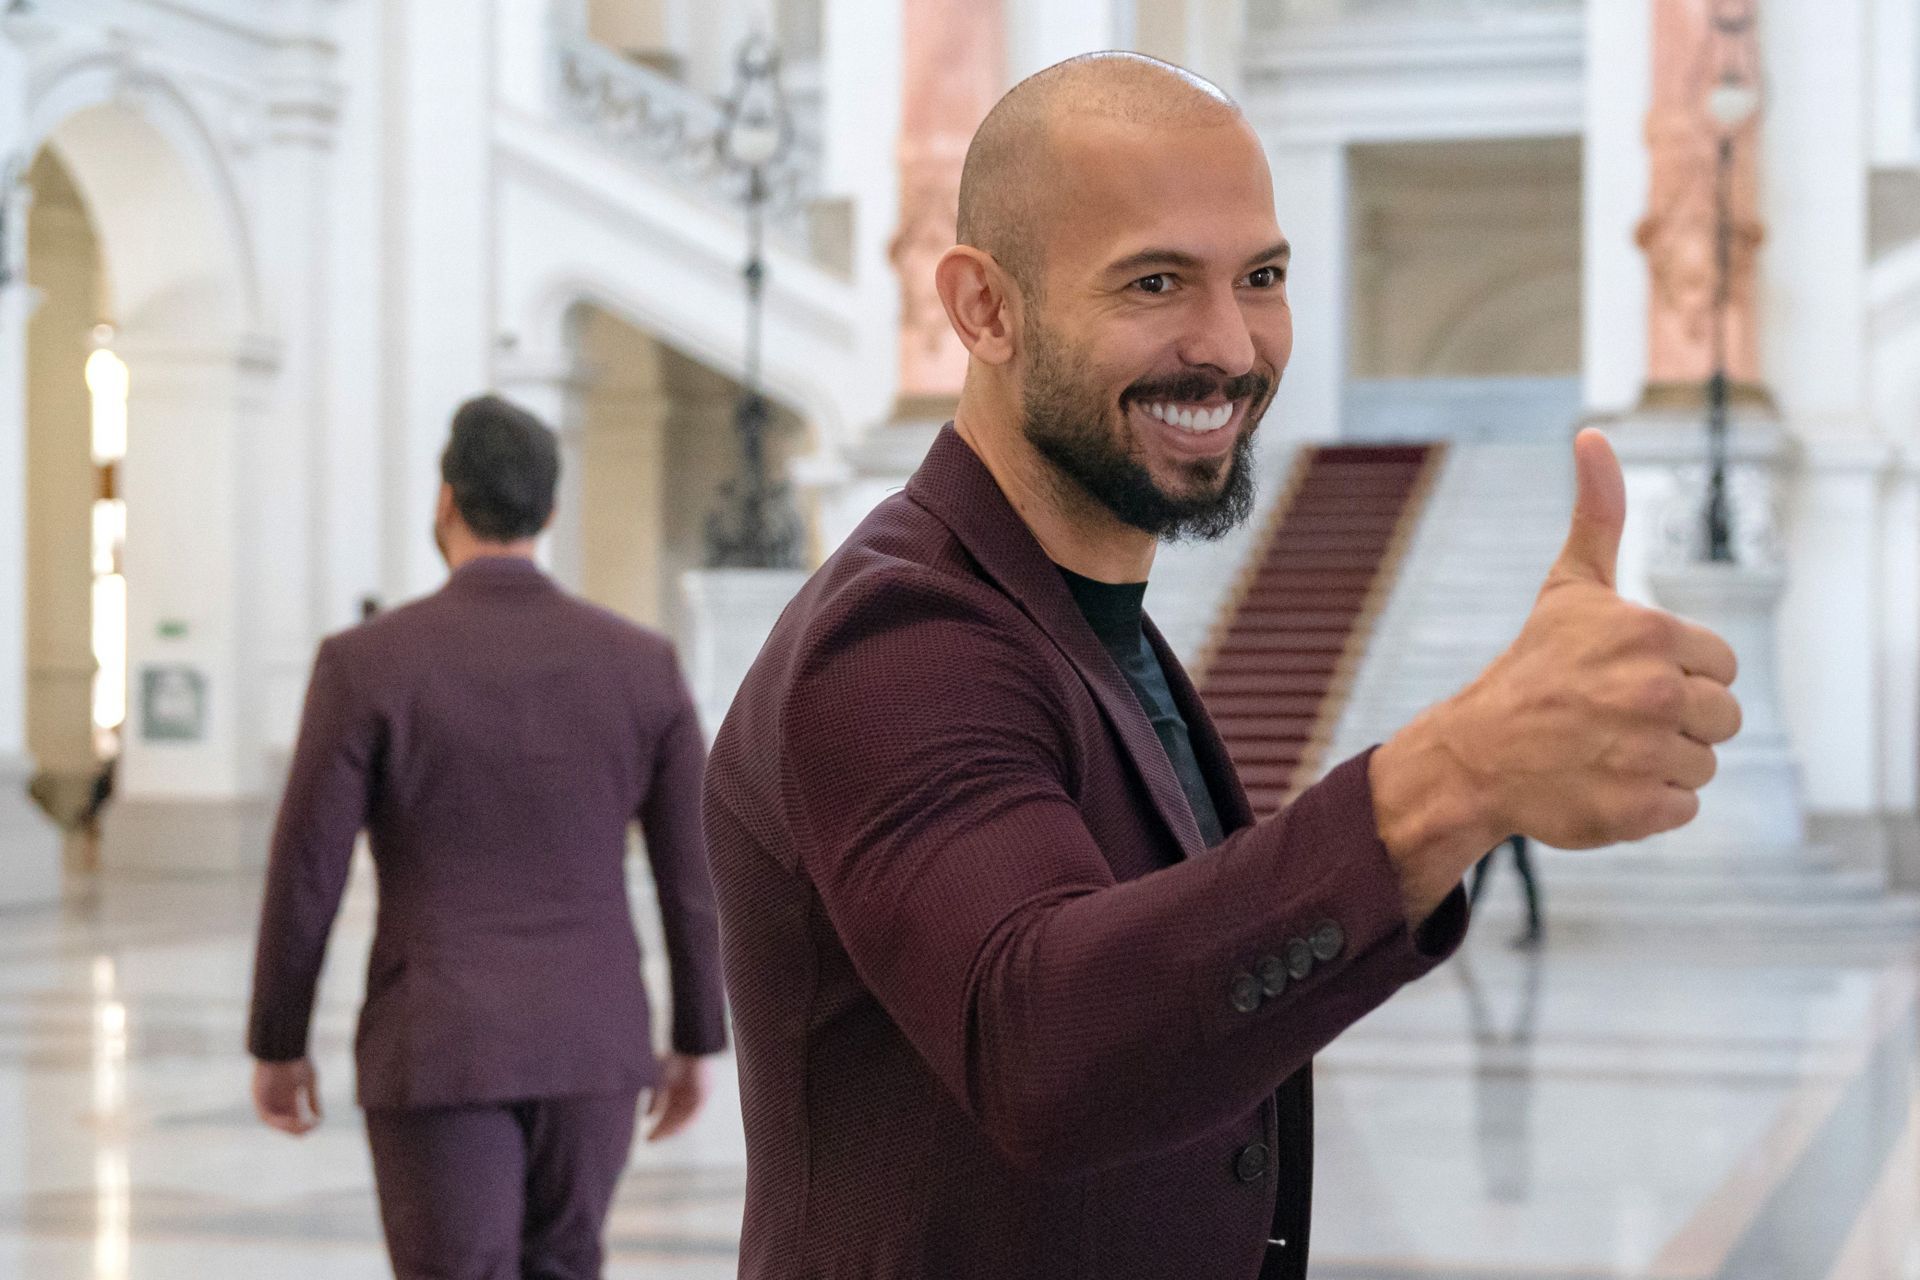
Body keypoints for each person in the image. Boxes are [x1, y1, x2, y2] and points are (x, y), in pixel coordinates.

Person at [702, 53, 1741, 1280]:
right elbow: (1042, 1044)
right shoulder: (897, 638)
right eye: (1154, 280)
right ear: (984, 309)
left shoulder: (1085, 616)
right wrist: (1456, 779)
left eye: (1263, 277)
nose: (1231, 345)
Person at [247, 395, 727, 1280]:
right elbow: (693, 877)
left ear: (444, 501)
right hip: (593, 1040)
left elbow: (307, 870)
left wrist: (278, 1042)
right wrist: (699, 1036)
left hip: (439, 1041)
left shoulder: (366, 664)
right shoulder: (641, 664)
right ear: (549, 513)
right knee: (565, 1263)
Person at [1469, 833, 1545, 947]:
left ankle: (1535, 927)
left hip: (1507, 823)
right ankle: (1535, 927)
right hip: (1509, 823)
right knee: (1482, 871)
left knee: (1482, 871)